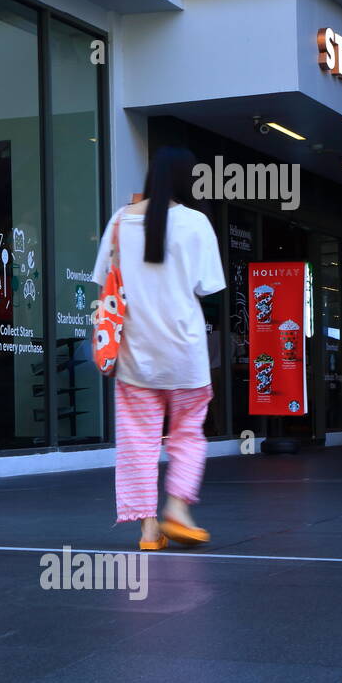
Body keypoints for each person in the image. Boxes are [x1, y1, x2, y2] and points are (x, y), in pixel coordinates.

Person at [92, 147, 226, 550]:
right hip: (185, 355)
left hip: (137, 357)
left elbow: (105, 287)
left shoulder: (119, 221)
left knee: (138, 441)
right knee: (187, 435)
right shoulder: (197, 223)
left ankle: (148, 530)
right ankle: (178, 511)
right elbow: (208, 287)